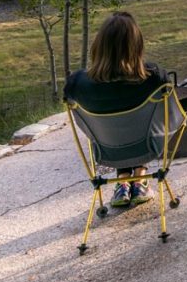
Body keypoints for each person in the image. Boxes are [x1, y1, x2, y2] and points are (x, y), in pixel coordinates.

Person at [64, 11, 167, 208]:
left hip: (108, 151)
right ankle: (139, 179)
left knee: (117, 128)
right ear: (137, 45)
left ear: (99, 46)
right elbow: (170, 115)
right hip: (148, 146)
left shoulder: (77, 84)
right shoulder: (154, 77)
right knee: (143, 125)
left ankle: (123, 180)